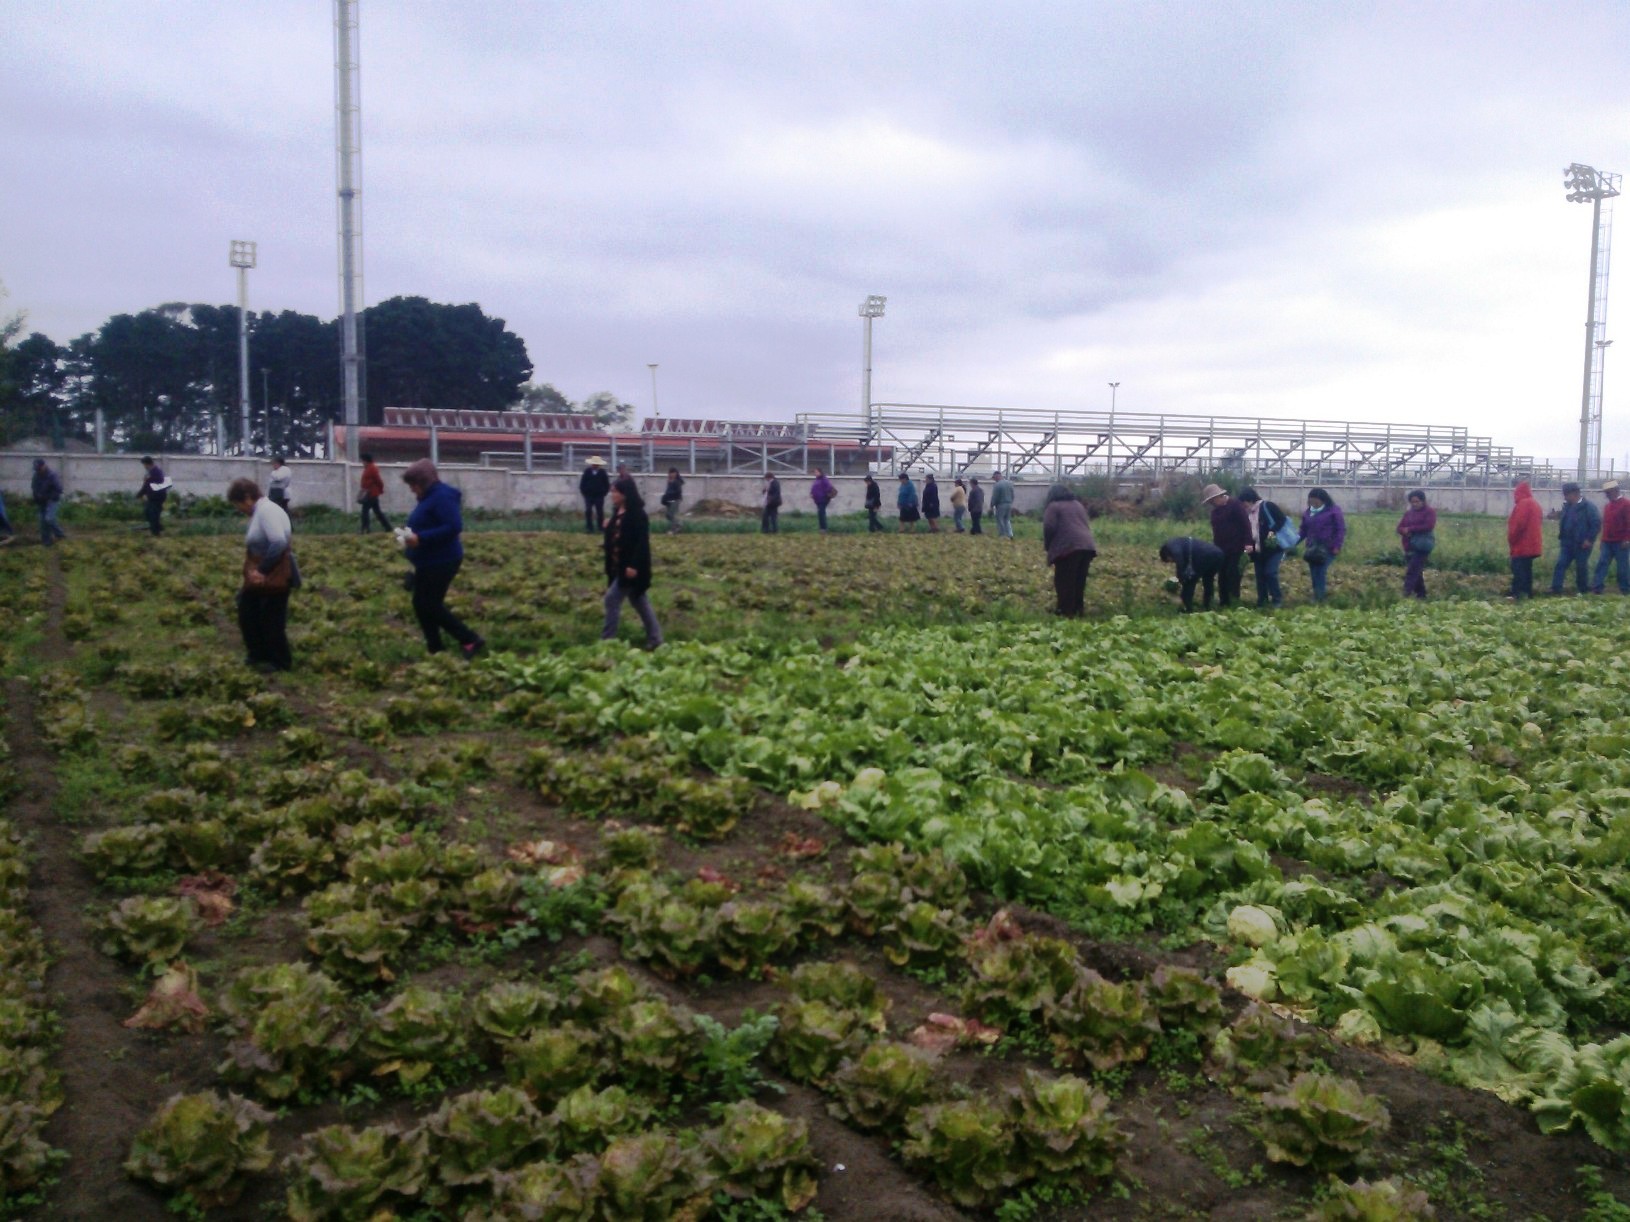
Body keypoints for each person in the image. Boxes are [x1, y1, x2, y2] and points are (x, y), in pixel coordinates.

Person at [402, 459, 484, 659]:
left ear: (424, 481)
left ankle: (470, 639)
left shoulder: (442, 496)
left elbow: (453, 527)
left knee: (428, 604)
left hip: (442, 560)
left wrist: (420, 538)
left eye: (414, 484)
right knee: (422, 603)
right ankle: (435, 647)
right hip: (429, 560)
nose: (412, 489)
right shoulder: (430, 496)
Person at [227, 477, 297, 672]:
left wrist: (261, 570)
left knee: (272, 619)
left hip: (273, 572)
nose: (239, 509)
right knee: (248, 611)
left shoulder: (267, 511)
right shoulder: (262, 511)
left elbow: (278, 542)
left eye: (238, 504)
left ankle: (280, 662)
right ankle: (258, 654)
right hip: (264, 569)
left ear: (248, 497)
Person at [602, 476, 663, 650]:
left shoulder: (637, 514)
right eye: (612, 491)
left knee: (611, 599)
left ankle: (607, 641)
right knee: (640, 601)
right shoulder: (617, 512)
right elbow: (615, 534)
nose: (612, 495)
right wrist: (608, 528)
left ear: (625, 494)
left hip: (630, 568)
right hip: (618, 566)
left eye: (615, 491)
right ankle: (656, 639)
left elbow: (641, 543)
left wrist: (634, 566)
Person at [1041, 484, 1097, 617]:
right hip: (1087, 546)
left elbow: (1049, 526)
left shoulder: (1054, 506)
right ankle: (1078, 610)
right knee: (1079, 581)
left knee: (1064, 581)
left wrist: (1048, 545)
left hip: (1068, 547)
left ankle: (1065, 612)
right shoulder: (1077, 504)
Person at [1237, 487, 1289, 608]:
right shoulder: (1247, 513)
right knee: (1260, 576)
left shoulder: (1267, 506)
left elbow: (1282, 519)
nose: (1243, 505)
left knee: (1270, 572)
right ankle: (1262, 601)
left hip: (1273, 548)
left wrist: (1272, 531)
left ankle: (1277, 599)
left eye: (1244, 502)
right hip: (1258, 550)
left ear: (1250, 500)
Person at [1201, 484, 1251, 607]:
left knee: (1232, 573)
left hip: (1236, 547)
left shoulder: (1235, 505)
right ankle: (1224, 602)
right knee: (1222, 575)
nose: (1212, 503)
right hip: (1220, 548)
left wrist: (1248, 543)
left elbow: (1246, 524)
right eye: (1210, 501)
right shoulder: (1215, 511)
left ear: (1219, 496)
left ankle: (1233, 600)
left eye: (1213, 500)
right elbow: (1216, 531)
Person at [1551, 482, 1600, 596]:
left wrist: (1589, 540)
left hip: (1582, 543)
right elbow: (1565, 519)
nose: (1565, 497)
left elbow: (1596, 524)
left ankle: (1583, 590)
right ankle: (1556, 588)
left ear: (1574, 494)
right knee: (1560, 564)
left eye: (1566, 494)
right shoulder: (1567, 507)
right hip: (1567, 543)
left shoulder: (1588, 507)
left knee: (1581, 566)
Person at [1300, 487, 1346, 602]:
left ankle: (1320, 597)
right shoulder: (1308, 513)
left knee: (1320, 570)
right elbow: (1303, 530)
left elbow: (1340, 529)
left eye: (1316, 501)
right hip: (1312, 547)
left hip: (1327, 547)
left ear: (1323, 500)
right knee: (1314, 571)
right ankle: (1317, 594)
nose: (1314, 504)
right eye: (1311, 501)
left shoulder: (1333, 511)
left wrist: (1337, 546)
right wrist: (1293, 541)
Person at [1159, 537, 1227, 611]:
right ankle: (1208, 605)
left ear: (1166, 554)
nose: (1172, 562)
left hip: (1204, 556)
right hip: (1218, 554)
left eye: (1170, 561)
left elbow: (1179, 559)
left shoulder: (1172, 546)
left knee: (1190, 581)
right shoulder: (1180, 543)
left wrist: (1180, 578)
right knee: (1208, 580)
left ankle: (1186, 607)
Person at [1395, 489, 1437, 601]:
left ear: (1423, 501)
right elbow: (1399, 527)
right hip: (1409, 546)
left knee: (1412, 571)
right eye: (1412, 502)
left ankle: (1405, 594)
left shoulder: (1430, 512)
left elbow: (1428, 526)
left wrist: (1410, 529)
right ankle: (1421, 596)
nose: (1415, 504)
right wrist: (1403, 530)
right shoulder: (1409, 513)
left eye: (1417, 501)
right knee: (1417, 573)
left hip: (1422, 546)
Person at [1507, 480, 1543, 600]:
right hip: (1533, 544)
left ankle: (1518, 594)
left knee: (1518, 570)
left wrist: (1511, 539)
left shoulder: (1523, 504)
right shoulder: (1535, 504)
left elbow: (1518, 525)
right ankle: (1528, 593)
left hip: (1522, 545)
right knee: (1527, 570)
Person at [1594, 480, 1630, 595]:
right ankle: (1597, 588)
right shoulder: (1607, 506)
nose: (1606, 495)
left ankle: (1625, 589)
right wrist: (1602, 540)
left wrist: (1627, 539)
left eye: (1608, 493)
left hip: (1621, 542)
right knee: (1602, 564)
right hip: (1607, 542)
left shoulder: (1626, 504)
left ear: (1615, 491)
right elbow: (1606, 525)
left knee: (1622, 567)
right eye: (1606, 493)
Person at [30, 459, 66, 547]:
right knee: (42, 522)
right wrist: (36, 497)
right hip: (41, 502)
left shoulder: (52, 475)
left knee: (49, 519)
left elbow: (59, 489)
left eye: (39, 468)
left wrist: (48, 497)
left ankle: (60, 534)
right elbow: (34, 488)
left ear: (44, 466)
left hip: (52, 500)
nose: (38, 471)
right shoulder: (36, 476)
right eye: (36, 469)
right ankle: (46, 542)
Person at [358, 452, 391, 533]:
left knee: (365, 511)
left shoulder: (372, 468)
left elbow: (378, 480)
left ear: (366, 460)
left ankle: (365, 529)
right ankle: (388, 527)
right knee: (377, 512)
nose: (362, 463)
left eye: (362, 461)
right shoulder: (368, 468)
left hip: (371, 494)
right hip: (369, 493)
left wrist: (380, 489)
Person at [138, 456, 170, 536]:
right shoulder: (151, 472)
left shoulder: (156, 472)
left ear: (147, 464)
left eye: (144, 464)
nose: (144, 467)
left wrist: (141, 493)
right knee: (148, 513)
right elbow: (146, 485)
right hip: (153, 497)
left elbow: (149, 485)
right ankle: (158, 527)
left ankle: (156, 533)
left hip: (157, 497)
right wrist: (141, 494)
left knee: (153, 514)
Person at [579, 457, 610, 533]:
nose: (595, 465)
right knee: (588, 511)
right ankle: (589, 528)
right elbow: (582, 483)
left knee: (600, 512)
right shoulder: (587, 471)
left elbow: (607, 484)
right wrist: (585, 492)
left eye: (597, 464)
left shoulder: (603, 472)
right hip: (588, 495)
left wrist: (604, 493)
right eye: (594, 464)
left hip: (599, 496)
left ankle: (601, 528)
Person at [809, 468, 836, 532]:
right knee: (820, 514)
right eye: (814, 472)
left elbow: (828, 487)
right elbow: (814, 488)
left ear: (820, 472)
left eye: (816, 472)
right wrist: (812, 493)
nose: (815, 473)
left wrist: (824, 494)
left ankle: (824, 528)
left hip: (823, 499)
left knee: (821, 513)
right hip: (817, 500)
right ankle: (821, 528)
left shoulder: (824, 479)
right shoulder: (817, 480)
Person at [991, 470, 1015, 539]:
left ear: (997, 476)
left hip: (1001, 504)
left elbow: (995, 496)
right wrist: (1011, 501)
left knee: (1000, 519)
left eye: (994, 478)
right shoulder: (1010, 483)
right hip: (1009, 503)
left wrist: (992, 504)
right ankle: (1010, 534)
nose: (994, 479)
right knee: (1007, 519)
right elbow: (1013, 495)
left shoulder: (997, 485)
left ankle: (1002, 534)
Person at [660, 468, 685, 533]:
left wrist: (670, 494)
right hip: (669, 500)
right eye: (670, 473)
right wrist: (665, 497)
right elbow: (668, 490)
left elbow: (678, 491)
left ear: (676, 473)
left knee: (671, 515)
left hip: (675, 500)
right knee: (668, 515)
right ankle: (679, 525)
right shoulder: (669, 481)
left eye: (672, 473)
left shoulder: (677, 482)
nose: (671, 474)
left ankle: (673, 530)